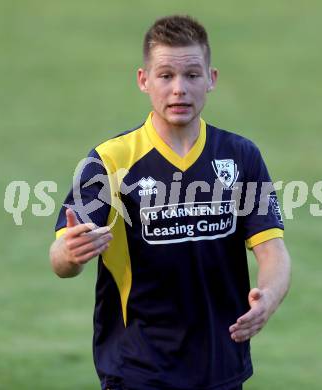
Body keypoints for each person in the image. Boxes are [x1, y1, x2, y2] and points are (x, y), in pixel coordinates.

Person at [50, 15, 291, 390]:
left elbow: (273, 250)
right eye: (165, 76)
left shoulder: (240, 155)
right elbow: (60, 258)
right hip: (138, 367)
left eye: (192, 75)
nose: (179, 89)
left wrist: (268, 298)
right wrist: (70, 252)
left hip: (221, 364)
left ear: (211, 79)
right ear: (144, 81)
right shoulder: (112, 159)